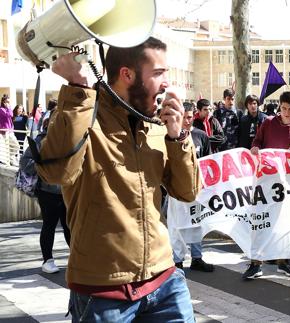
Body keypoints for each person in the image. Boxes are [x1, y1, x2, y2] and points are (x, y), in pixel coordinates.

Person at [37, 37, 200, 322]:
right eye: (159, 73)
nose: (167, 83)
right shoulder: (83, 113)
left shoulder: (156, 124)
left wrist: (178, 138)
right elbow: (56, 173)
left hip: (165, 281)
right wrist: (77, 90)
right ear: (127, 75)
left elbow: (187, 192)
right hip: (103, 291)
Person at [243, 91, 290, 280]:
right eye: (284, 108)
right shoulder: (268, 123)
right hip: (265, 180)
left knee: (285, 222)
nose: (287, 113)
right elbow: (257, 141)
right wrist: (255, 147)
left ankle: (283, 262)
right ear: (279, 107)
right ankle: (255, 263)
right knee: (261, 220)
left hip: (288, 184)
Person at [20, 116, 71, 274]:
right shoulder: (39, 141)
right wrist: (42, 166)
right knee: (49, 225)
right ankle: (47, 260)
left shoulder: (69, 140)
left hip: (68, 191)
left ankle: (77, 257)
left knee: (70, 227)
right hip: (47, 192)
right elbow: (25, 163)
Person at [171, 105, 215, 272]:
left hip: (197, 189)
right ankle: (178, 260)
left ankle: (197, 258)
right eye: (184, 117)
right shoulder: (170, 136)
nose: (187, 121)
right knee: (177, 225)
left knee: (197, 222)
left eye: (190, 117)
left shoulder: (201, 135)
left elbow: (209, 161)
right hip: (177, 189)